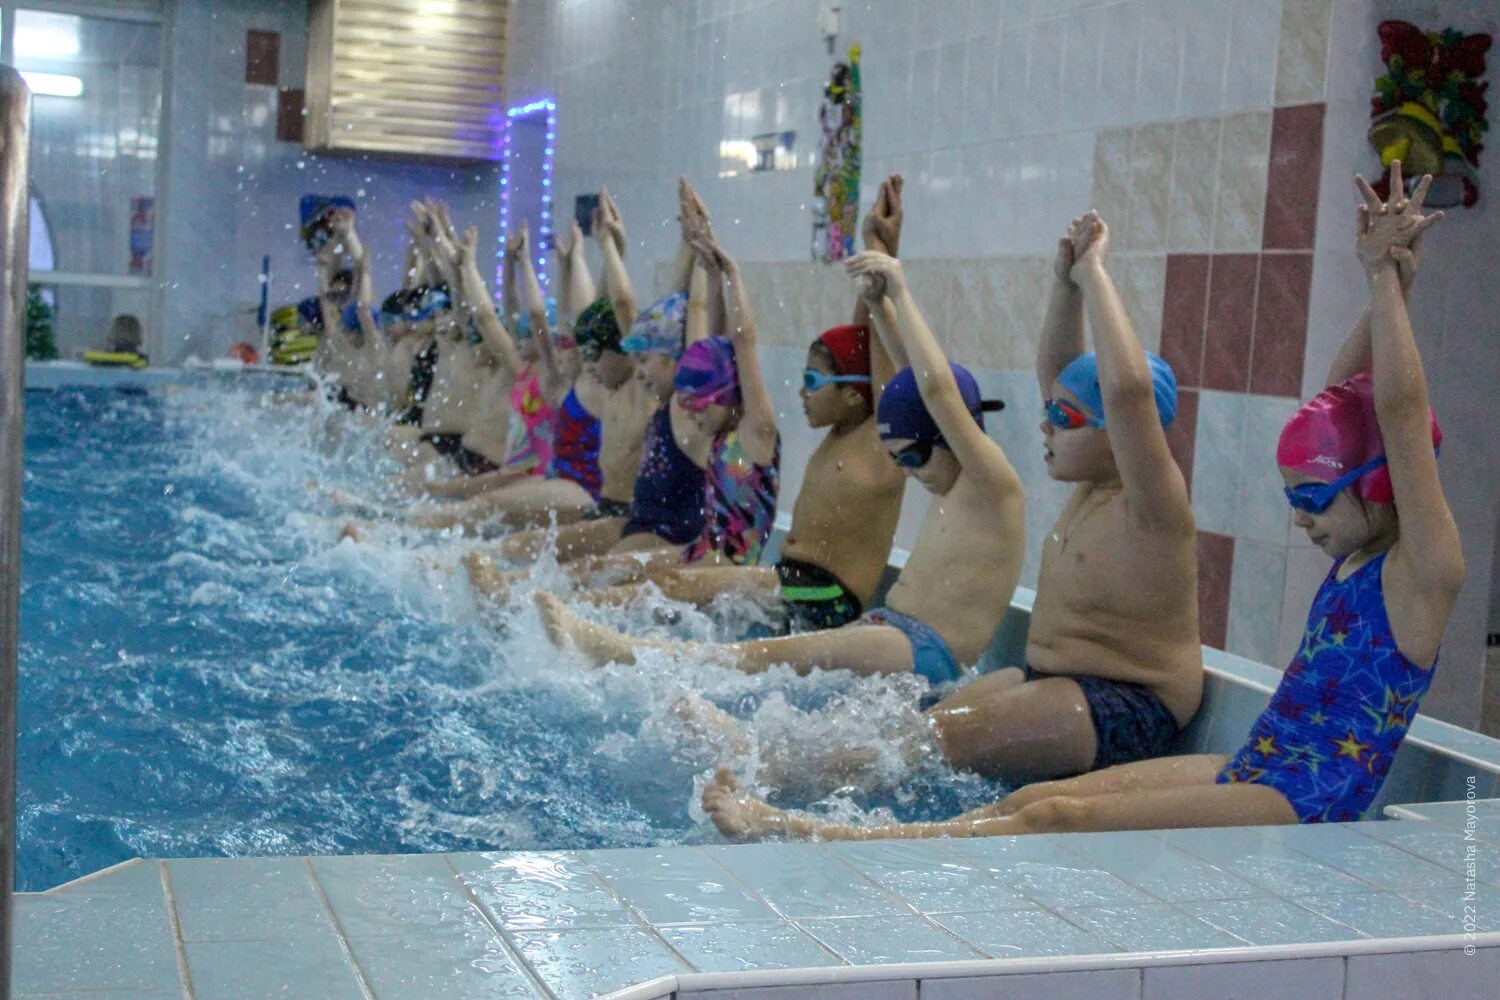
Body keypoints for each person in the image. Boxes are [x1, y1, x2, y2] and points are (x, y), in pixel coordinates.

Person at [700, 164, 1462, 840]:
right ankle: (790, 789)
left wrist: (1100, 274)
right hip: (1260, 760)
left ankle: (810, 832)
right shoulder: (1350, 544)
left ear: (1376, 484)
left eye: (1314, 499)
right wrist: (1393, 278)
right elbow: (1350, 402)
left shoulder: (1417, 569)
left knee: (1052, 815)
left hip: (1295, 791)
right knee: (1026, 798)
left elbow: (1393, 412)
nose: (1300, 518)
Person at [535, 241, 1020, 690]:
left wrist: (898, 289)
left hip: (831, 595)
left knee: (755, 651)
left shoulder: (978, 475)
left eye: (912, 456)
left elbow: (930, 389)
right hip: (860, 612)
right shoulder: (838, 446)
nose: (907, 471)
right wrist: (875, 302)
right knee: (735, 640)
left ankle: (626, 651)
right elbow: (904, 380)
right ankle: (610, 637)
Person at [560, 175, 912, 632]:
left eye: (812, 381)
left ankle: (584, 634)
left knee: (660, 590)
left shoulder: (757, 433)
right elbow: (711, 328)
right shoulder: (725, 433)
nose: (687, 410)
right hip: (744, 568)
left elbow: (746, 342)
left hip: (814, 591)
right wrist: (706, 263)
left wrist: (732, 273)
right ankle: (574, 629)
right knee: (623, 588)